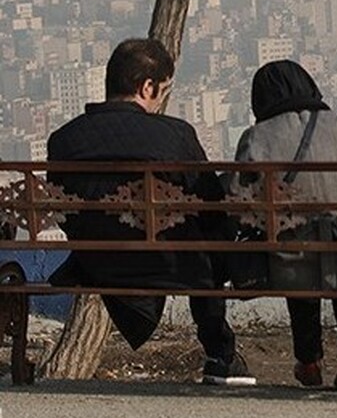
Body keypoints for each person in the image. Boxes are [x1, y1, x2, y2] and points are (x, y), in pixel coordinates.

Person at [46, 37, 255, 386]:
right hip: (170, 263)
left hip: (96, 260)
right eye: (163, 90)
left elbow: (63, 208)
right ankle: (220, 354)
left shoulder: (64, 139)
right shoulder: (174, 135)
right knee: (211, 242)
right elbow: (210, 204)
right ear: (147, 87)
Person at [230, 59, 337, 392]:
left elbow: (238, 196)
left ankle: (308, 362)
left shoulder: (257, 137)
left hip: (291, 253)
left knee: (298, 267)